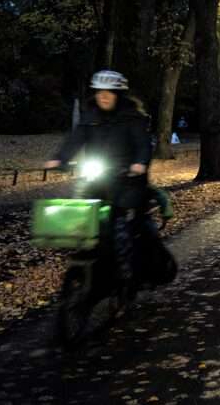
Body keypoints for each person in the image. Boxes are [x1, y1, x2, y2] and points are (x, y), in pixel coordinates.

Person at [44, 70, 158, 301]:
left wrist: (139, 163)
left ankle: (128, 272)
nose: (103, 97)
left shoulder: (133, 118)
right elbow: (74, 141)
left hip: (128, 180)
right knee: (81, 216)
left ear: (119, 95)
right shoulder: (89, 117)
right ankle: (91, 258)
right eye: (99, 93)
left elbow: (143, 145)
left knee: (123, 224)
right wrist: (60, 158)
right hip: (98, 177)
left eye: (109, 93)